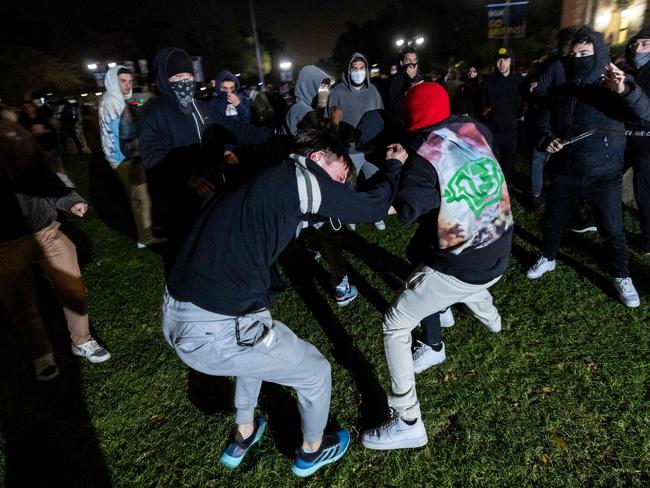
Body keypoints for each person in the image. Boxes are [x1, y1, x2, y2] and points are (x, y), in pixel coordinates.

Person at [162, 130, 406, 475]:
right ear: (318, 157)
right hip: (216, 327)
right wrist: (394, 167)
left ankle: (243, 434)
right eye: (339, 178)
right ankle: (312, 450)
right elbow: (371, 207)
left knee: (257, 340)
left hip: (180, 311)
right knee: (315, 373)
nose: (338, 188)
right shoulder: (303, 179)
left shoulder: (270, 177)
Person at [361, 82, 513, 450]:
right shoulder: (474, 128)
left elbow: (397, 209)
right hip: (500, 243)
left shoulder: (422, 159)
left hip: (464, 266)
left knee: (395, 324)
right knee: (428, 251)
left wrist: (395, 167)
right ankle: (490, 317)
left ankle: (407, 420)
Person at [526, 26, 641, 308]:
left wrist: (625, 91)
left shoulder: (613, 89)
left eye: (585, 53)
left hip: (604, 176)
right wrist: (546, 139)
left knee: (613, 230)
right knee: (552, 221)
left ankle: (622, 275)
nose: (578, 58)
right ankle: (548, 257)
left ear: (599, 54)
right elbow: (542, 121)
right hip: (566, 172)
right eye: (574, 54)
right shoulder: (561, 90)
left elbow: (644, 113)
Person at [0, 120, 111, 380]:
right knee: (21, 302)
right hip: (7, 244)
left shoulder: (14, 137)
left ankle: (81, 340)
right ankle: (41, 353)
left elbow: (46, 179)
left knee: (72, 287)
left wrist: (70, 200)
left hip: (48, 231)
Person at [139, 48, 274, 260]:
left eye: (188, 76)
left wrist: (273, 132)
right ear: (165, 80)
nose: (184, 81)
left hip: (214, 188)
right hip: (181, 197)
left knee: (217, 244)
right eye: (177, 76)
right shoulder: (154, 113)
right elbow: (152, 157)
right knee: (189, 249)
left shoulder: (204, 108)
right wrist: (187, 177)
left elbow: (236, 131)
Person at [99, 65, 164, 248]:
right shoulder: (113, 101)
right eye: (123, 81)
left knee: (139, 197)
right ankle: (145, 236)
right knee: (140, 197)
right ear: (113, 81)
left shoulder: (115, 99)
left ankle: (146, 230)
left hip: (124, 157)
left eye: (130, 81)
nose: (128, 85)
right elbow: (123, 133)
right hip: (125, 159)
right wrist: (136, 157)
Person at [328, 51, 386, 231]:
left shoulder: (373, 91)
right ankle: (351, 216)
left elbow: (380, 116)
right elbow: (331, 120)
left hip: (370, 147)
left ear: (367, 70)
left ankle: (376, 214)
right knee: (350, 185)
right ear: (348, 70)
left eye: (362, 68)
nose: (358, 72)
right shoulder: (337, 92)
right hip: (349, 149)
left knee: (376, 182)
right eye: (355, 68)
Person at [608, 26, 650, 253]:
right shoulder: (632, 71)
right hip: (626, 138)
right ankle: (600, 219)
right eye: (635, 44)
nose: (638, 48)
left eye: (645, 44)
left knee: (644, 193)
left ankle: (647, 238)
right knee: (607, 179)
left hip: (646, 143)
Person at [481, 47, 525, 180]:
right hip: (493, 129)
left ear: (511, 61)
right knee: (493, 161)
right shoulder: (489, 82)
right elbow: (482, 106)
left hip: (512, 129)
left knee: (509, 161)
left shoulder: (520, 81)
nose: (502, 63)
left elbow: (524, 104)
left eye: (505, 59)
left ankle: (506, 189)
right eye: (499, 60)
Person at [388, 48, 423, 120]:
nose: (412, 63)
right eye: (408, 60)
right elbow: (393, 105)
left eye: (414, 60)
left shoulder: (422, 78)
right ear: (401, 63)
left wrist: (415, 79)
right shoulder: (397, 80)